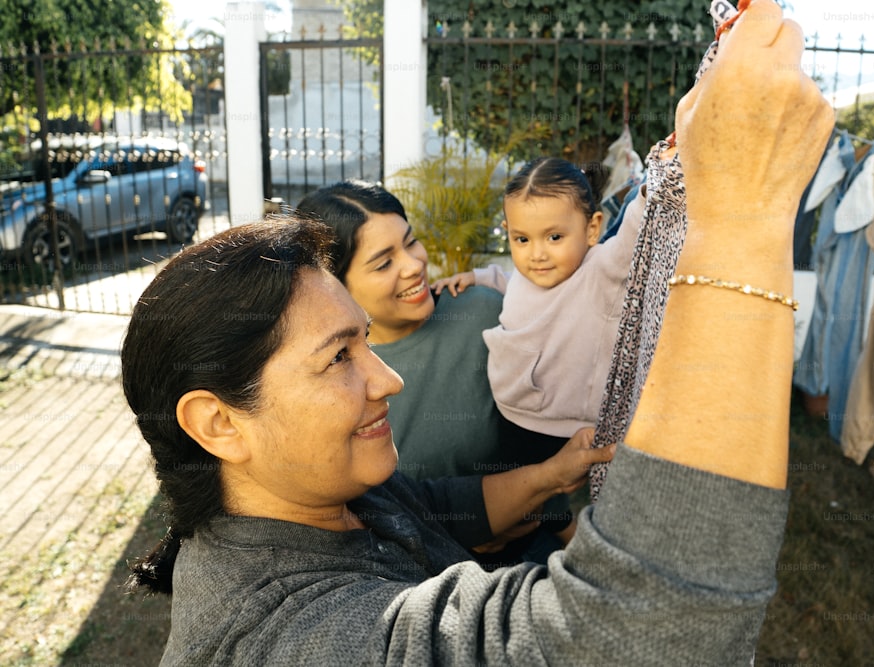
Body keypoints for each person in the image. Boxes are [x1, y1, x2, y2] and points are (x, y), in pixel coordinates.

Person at [123, 1, 834, 663]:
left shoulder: (327, 496)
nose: (387, 378)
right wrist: (743, 217)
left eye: (366, 340)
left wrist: (557, 473)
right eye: (340, 356)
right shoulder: (286, 637)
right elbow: (643, 633)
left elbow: (438, 507)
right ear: (217, 422)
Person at [294, 181, 578, 561]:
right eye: (384, 263)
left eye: (410, 243)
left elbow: (551, 435)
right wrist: (451, 533)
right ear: (335, 286)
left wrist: (549, 516)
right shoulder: (324, 379)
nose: (414, 266)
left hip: (536, 557)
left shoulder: (484, 314)